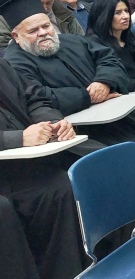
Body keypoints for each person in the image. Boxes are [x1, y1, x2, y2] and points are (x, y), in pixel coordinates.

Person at [1, 0, 135, 200]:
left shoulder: (71, 40)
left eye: (46, 26)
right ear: (16, 36)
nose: (43, 33)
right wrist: (87, 96)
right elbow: (39, 97)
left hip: (119, 114)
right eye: (33, 30)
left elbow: (109, 59)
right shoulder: (14, 62)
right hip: (82, 127)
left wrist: (104, 82)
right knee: (132, 150)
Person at [0, 57, 86, 279]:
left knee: (64, 183)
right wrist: (17, 138)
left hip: (25, 164)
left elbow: (35, 100)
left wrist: (52, 123)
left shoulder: (3, 66)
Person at [0, 0, 84, 50]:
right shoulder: (5, 18)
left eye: (49, 3)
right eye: (39, 3)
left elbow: (82, 41)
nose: (44, 8)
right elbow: (4, 51)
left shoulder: (64, 14)